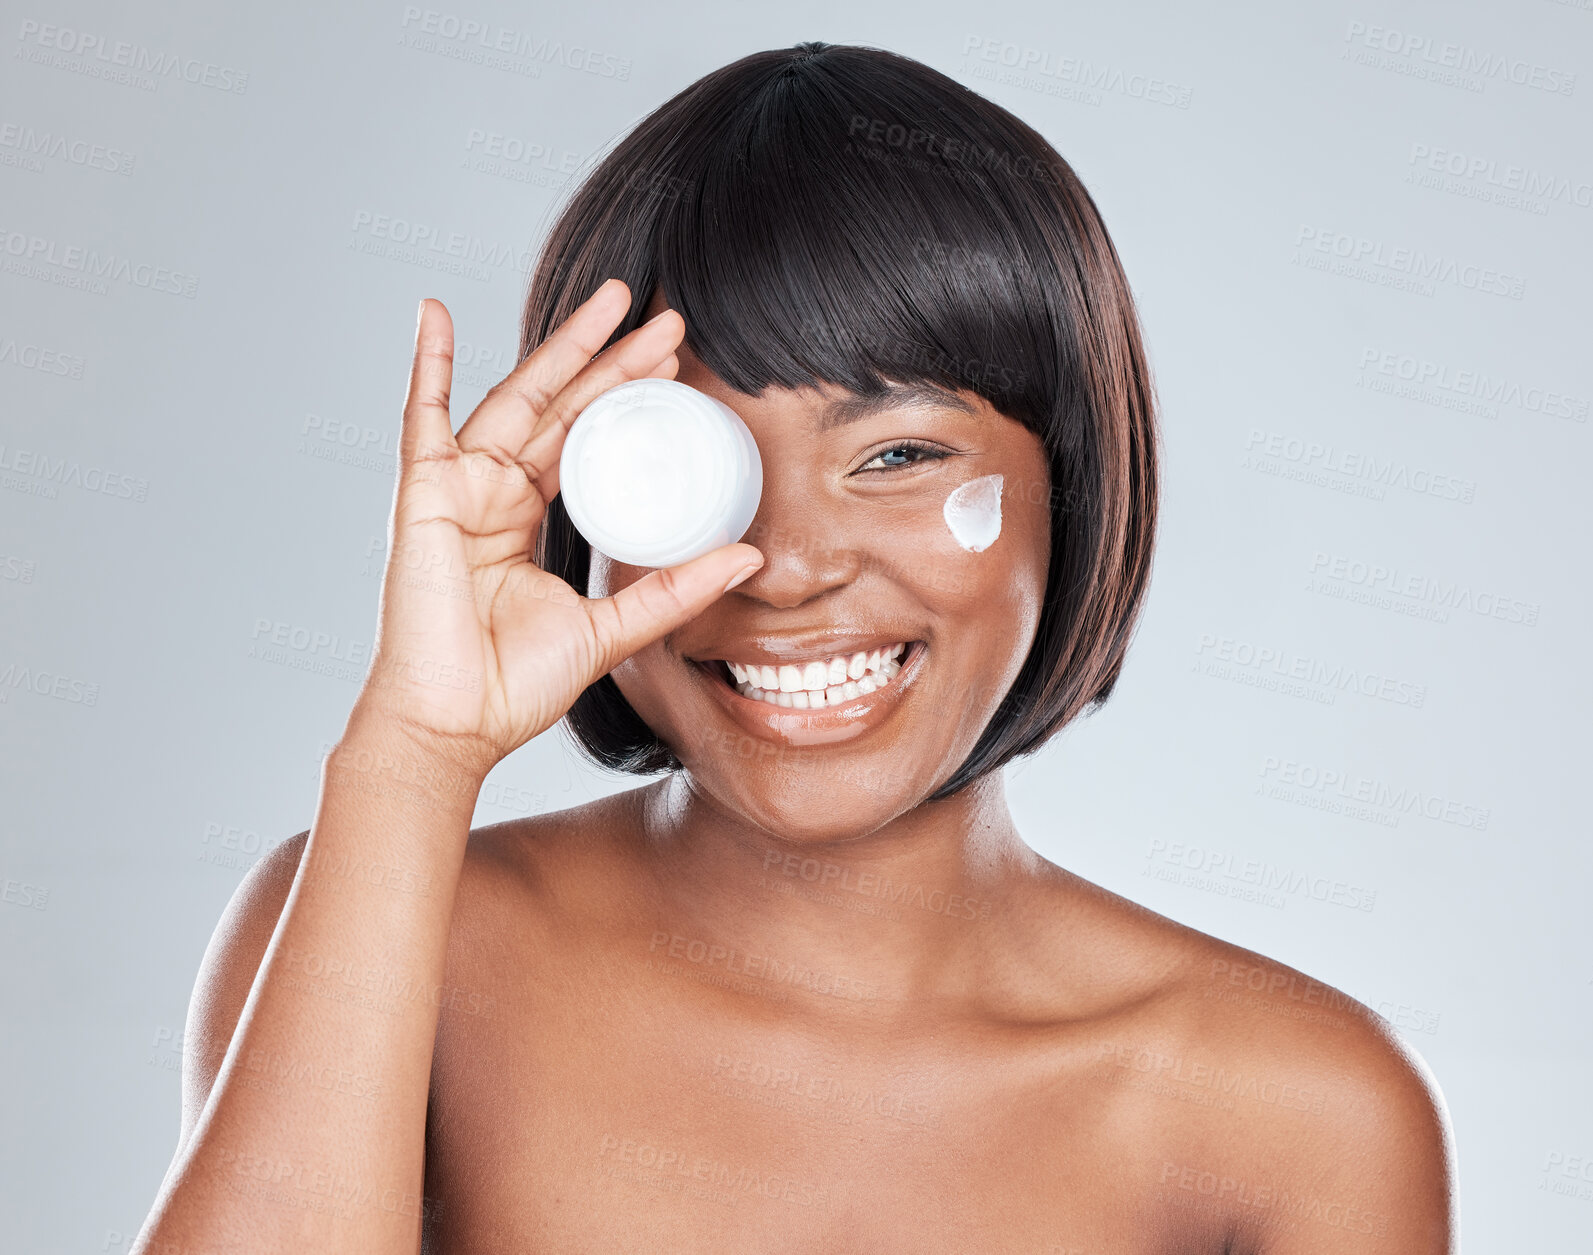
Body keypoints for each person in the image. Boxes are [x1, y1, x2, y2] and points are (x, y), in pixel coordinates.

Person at [134, 41, 1455, 1254]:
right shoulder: (397, 931)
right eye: (685, 466)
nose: (788, 568)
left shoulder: (1294, 1113)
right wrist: (410, 754)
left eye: (895, 454)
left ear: (1070, 490)